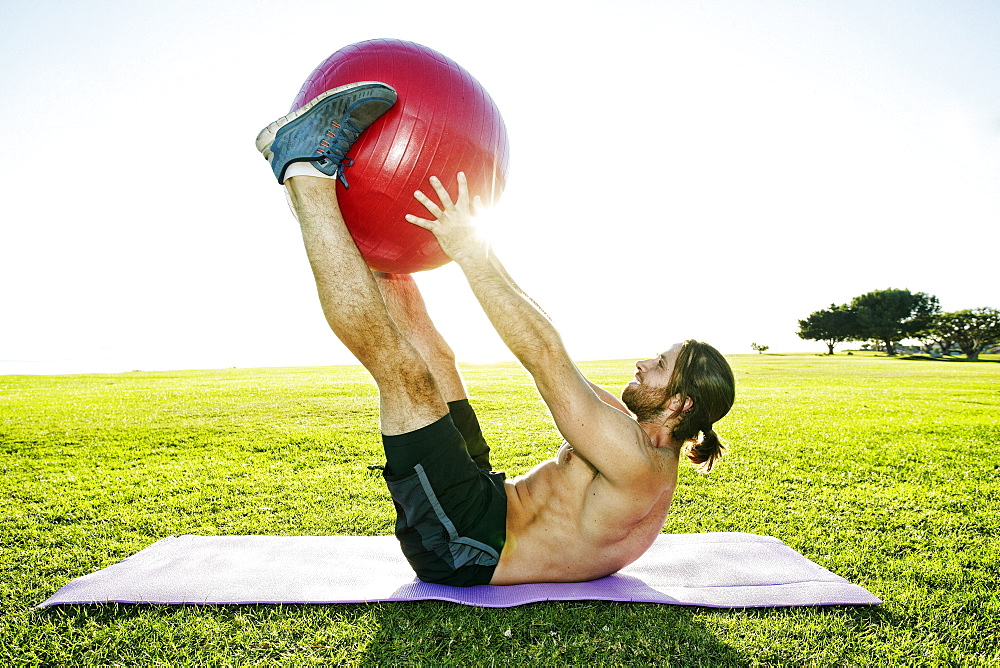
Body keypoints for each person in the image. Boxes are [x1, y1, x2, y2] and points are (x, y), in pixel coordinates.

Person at [256, 82, 736, 587]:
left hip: (467, 546)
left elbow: (544, 358)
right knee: (438, 360)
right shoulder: (633, 434)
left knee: (407, 377)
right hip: (489, 498)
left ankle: (304, 172)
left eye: (659, 365)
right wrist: (461, 246)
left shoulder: (637, 463)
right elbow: (551, 342)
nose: (643, 362)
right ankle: (366, 250)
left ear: (680, 403)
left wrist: (470, 253)